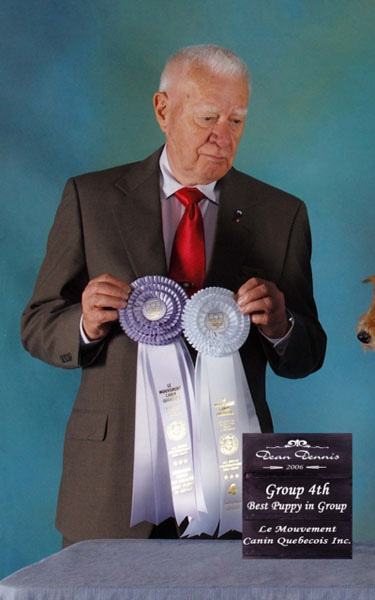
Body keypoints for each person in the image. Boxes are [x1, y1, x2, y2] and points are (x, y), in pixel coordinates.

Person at [21, 45, 326, 545]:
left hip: (230, 481)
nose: (223, 136)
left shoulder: (282, 213)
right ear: (163, 110)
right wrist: (85, 322)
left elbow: (309, 353)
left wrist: (281, 325)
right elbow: (37, 324)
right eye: (208, 118)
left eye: (236, 121)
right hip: (112, 479)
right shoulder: (89, 198)